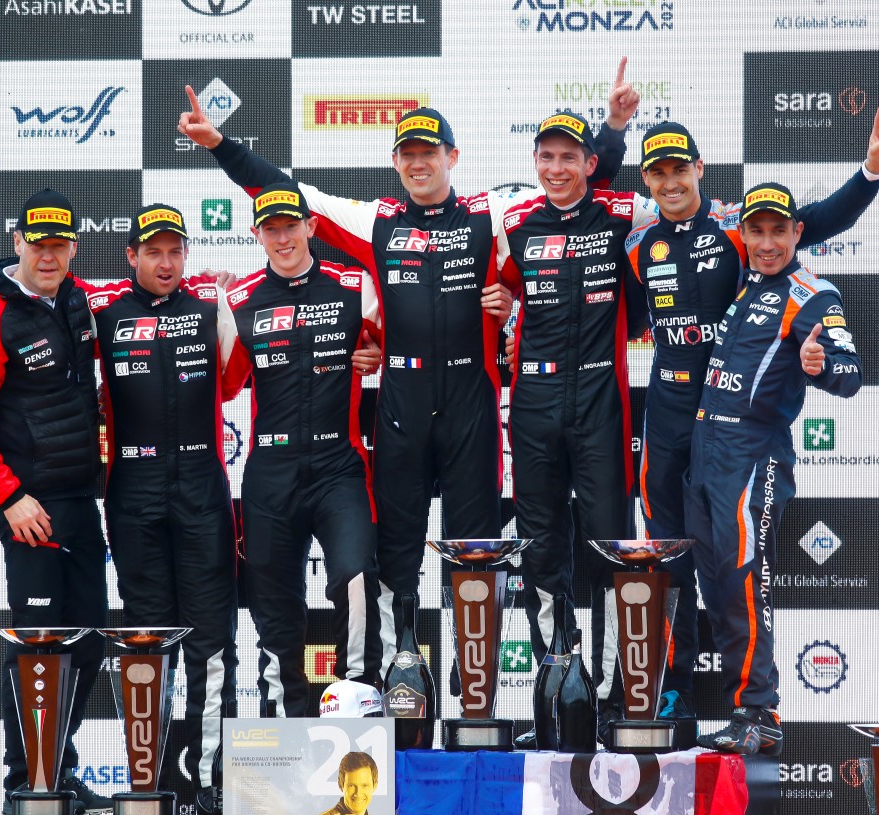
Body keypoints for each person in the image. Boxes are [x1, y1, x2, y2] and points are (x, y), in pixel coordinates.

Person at [178, 61, 638, 670]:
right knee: (396, 550)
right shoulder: (379, 221)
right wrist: (220, 145)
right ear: (396, 163)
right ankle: (402, 675)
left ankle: (476, 687)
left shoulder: (492, 214)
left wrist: (611, 131)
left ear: (452, 156)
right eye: (407, 155)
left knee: (475, 553)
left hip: (473, 406)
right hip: (402, 409)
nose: (419, 164)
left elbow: (575, 186)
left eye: (429, 153)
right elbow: (288, 193)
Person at [623, 106, 879, 738]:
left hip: (742, 435)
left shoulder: (736, 230)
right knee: (666, 558)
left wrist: (869, 173)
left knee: (734, 567)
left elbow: (816, 223)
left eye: (679, 169)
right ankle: (669, 690)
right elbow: (614, 314)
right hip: (672, 420)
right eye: (657, 172)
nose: (670, 181)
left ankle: (755, 705)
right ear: (647, 180)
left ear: (700, 169)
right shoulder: (638, 244)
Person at [0, 188, 110, 815]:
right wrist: (10, 498)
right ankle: (26, 782)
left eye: (59, 245)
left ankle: (56, 767)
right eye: (38, 245)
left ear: (73, 247)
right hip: (29, 508)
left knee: (87, 642)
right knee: (40, 645)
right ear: (17, 243)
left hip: (81, 501)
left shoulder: (80, 299)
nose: (48, 256)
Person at [496, 110, 658, 745]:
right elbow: (493, 288)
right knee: (540, 547)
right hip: (533, 403)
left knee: (609, 545)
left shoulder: (623, 213)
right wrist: (501, 305)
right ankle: (555, 689)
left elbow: (691, 217)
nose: (557, 168)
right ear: (535, 162)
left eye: (570, 157)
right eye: (547, 157)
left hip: (599, 401)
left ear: (592, 164)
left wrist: (615, 127)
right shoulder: (515, 224)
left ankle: (615, 698)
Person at [686, 183, 863, 754]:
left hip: (753, 453)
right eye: (756, 231)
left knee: (742, 579)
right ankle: (748, 709)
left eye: (779, 231)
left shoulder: (814, 294)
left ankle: (759, 711)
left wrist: (819, 364)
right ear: (742, 234)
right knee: (715, 585)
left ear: (797, 233)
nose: (767, 243)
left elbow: (850, 374)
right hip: (704, 451)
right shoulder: (743, 278)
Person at [79, 204, 239, 814]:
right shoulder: (103, 308)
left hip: (202, 488)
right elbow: (38, 291)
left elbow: (241, 374)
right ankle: (151, 779)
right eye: (153, 252)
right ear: (132, 256)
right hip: (133, 491)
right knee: (148, 638)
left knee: (211, 638)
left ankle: (211, 776)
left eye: (175, 252)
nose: (166, 263)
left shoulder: (210, 307)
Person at [221, 184, 384, 717]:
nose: (283, 238)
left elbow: (402, 341)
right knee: (274, 601)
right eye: (271, 229)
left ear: (311, 227)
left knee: (356, 577)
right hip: (270, 473)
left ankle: (357, 698)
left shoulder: (354, 286)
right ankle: (280, 716)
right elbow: (222, 385)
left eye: (292, 226)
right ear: (257, 235)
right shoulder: (239, 302)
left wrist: (378, 353)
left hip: (339, 466)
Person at [303, 752, 395, 815]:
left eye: (365, 786)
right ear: (341, 785)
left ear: (375, 786)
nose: (358, 793)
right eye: (351, 786)